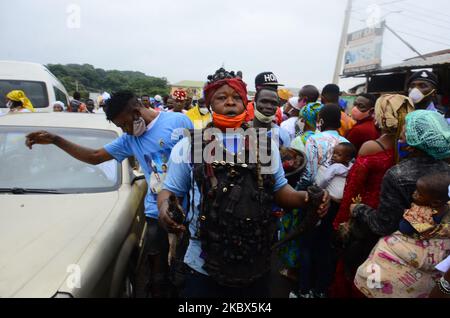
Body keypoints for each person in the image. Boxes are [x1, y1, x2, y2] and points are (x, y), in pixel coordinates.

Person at [157, 68, 330, 298]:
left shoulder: (264, 145)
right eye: (221, 97)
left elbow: (281, 190)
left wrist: (306, 198)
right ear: (210, 104)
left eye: (236, 97)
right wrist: (165, 209)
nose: (230, 103)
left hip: (255, 261)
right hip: (202, 264)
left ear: (245, 103)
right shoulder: (193, 145)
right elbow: (171, 191)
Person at [25, 91, 194, 298]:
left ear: (135, 113)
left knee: (186, 272)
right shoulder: (129, 140)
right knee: (157, 276)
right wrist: (56, 140)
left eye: (124, 124)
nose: (125, 131)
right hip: (155, 213)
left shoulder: (178, 122)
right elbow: (95, 156)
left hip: (189, 210)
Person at [331, 94, 414, 298]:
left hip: (364, 217)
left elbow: (353, 187)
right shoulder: (411, 148)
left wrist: (341, 221)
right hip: (396, 221)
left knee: (353, 269)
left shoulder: (372, 147)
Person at [350, 110, 450, 239]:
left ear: (410, 146)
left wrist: (358, 209)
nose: (399, 141)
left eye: (401, 138)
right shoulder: (446, 170)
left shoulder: (397, 175)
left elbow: (384, 225)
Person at [354, 173, 450, 298]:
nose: (414, 194)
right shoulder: (445, 208)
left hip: (415, 247)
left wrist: (407, 217)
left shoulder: (419, 213)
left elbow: (404, 228)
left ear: (435, 202)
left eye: (419, 193)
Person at [290, 104, 349, 298]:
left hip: (315, 199)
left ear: (320, 121)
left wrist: (297, 195)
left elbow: (309, 175)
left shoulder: (314, 140)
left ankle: (303, 289)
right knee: (325, 245)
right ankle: (321, 289)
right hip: (335, 202)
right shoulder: (346, 142)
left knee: (307, 245)